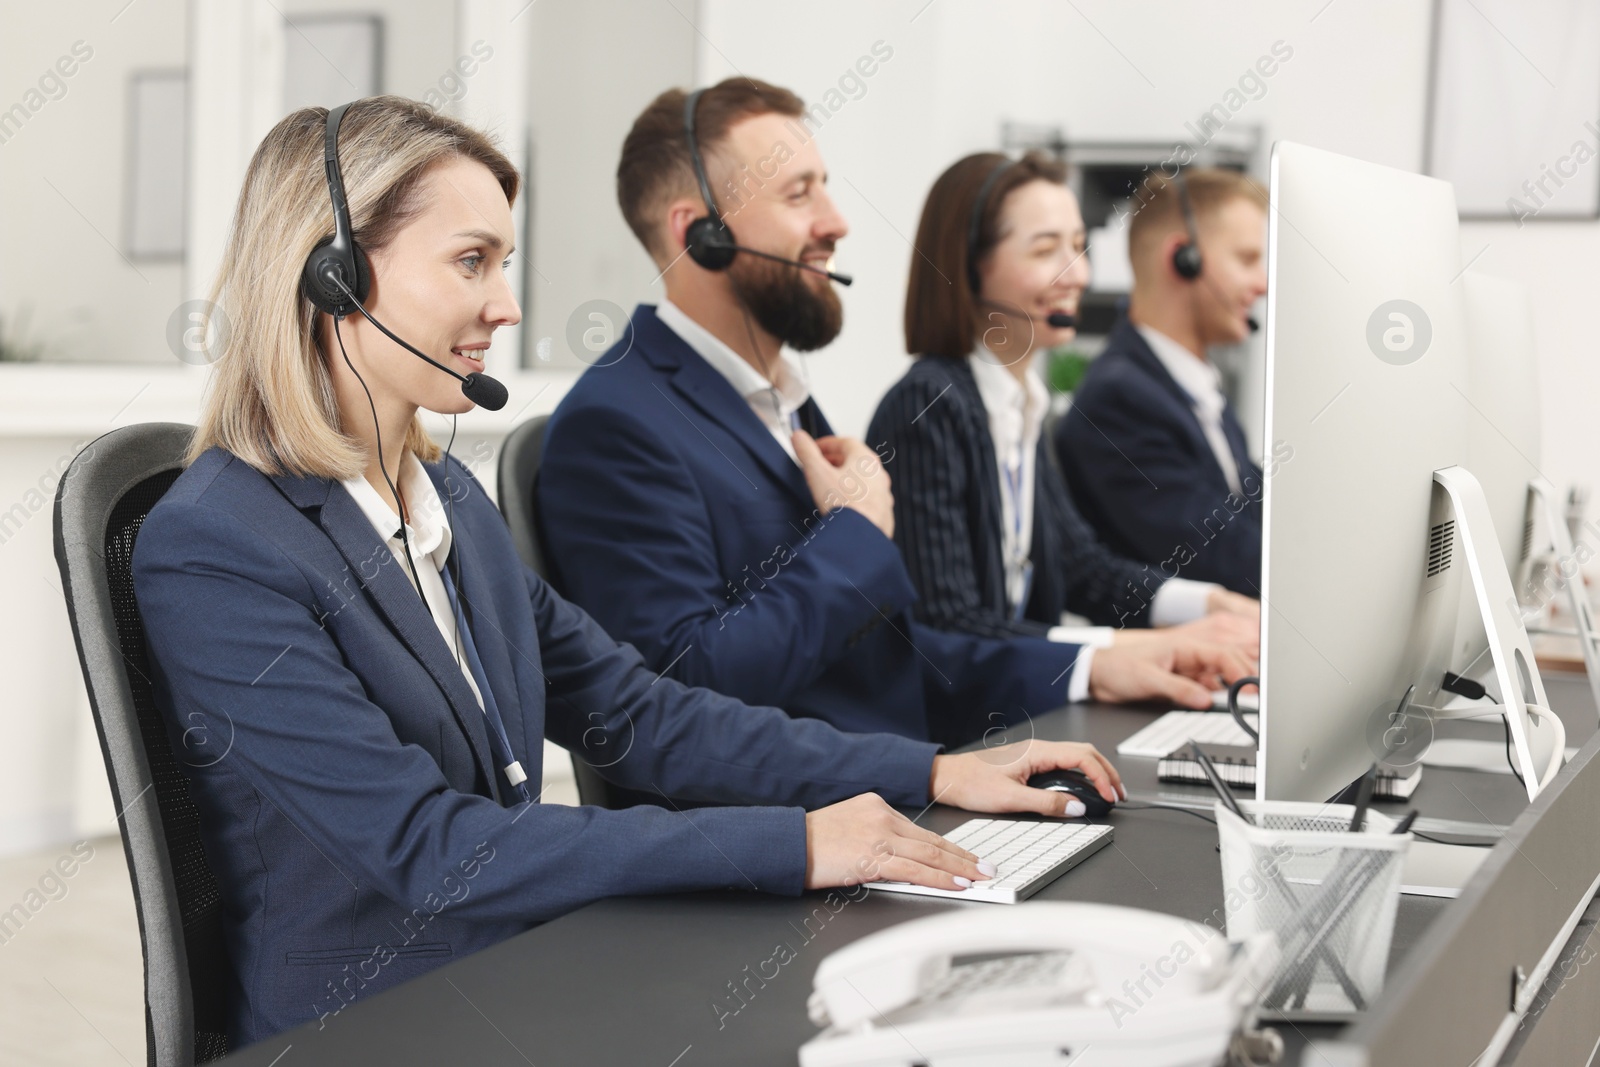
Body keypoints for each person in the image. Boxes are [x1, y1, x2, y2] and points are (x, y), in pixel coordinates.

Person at [130, 96, 1130, 1049]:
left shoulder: (448, 503)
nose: (508, 306)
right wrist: (798, 844)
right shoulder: (220, 545)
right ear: (332, 276)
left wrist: (926, 771)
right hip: (373, 1022)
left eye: (506, 262)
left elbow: (643, 714)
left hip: (514, 965)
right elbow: (428, 848)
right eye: (472, 261)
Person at [536, 78, 1250, 758]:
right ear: (702, 235)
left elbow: (893, 652)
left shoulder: (779, 400)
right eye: (798, 193)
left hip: (898, 780)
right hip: (796, 843)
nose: (837, 222)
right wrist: (853, 531)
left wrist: (1098, 668)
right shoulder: (615, 427)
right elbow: (690, 694)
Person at [868, 151, 1261, 654]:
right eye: (1046, 250)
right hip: (959, 731)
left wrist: (1209, 605)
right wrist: (1124, 655)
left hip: (1014, 715)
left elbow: (1083, 569)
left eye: (1079, 247)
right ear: (968, 266)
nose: (1078, 275)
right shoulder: (930, 403)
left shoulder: (1020, 404)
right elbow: (948, 625)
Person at [1054, 167, 1270, 596]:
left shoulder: (1199, 391)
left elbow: (1255, 510)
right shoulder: (1119, 400)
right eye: (1247, 260)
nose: (1262, 285)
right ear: (1182, 259)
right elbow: (1225, 557)